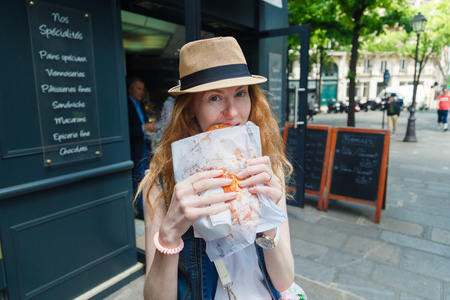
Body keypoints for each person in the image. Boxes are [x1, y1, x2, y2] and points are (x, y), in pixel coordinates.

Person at [138, 37, 303, 300]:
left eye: (240, 94)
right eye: (215, 98)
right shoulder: (161, 184)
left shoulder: (266, 170)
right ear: (191, 109)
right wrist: (169, 235)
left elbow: (283, 279)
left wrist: (269, 220)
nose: (232, 112)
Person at [127, 76, 158, 217]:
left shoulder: (141, 105)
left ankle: (147, 206)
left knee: (148, 176)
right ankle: (140, 210)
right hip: (136, 148)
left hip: (146, 145)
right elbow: (125, 130)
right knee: (139, 177)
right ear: (130, 89)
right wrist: (142, 128)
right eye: (139, 88)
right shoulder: (126, 105)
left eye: (143, 89)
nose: (141, 92)